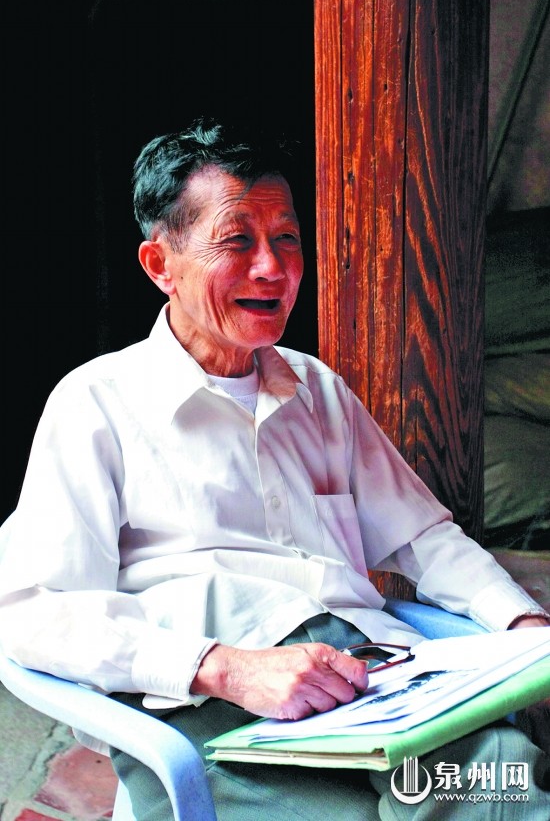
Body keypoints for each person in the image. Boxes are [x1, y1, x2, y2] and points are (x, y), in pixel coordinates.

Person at [0, 118, 548, 820]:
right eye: (237, 241)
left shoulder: (316, 389)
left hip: (379, 682)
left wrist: (524, 625)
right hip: (213, 705)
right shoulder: (97, 403)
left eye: (286, 239)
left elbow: (423, 537)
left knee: (501, 787)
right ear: (160, 265)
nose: (272, 268)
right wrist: (224, 668)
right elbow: (30, 611)